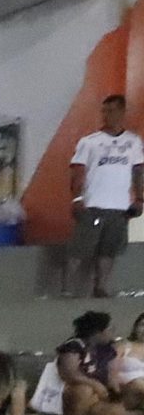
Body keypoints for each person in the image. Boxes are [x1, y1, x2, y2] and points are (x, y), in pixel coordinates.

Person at [66, 95, 143, 300]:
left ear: (122, 112)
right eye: (104, 111)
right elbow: (77, 172)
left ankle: (100, 287)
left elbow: (138, 171)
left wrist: (139, 199)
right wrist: (76, 199)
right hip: (93, 204)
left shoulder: (133, 142)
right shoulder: (89, 142)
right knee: (80, 248)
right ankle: (68, 290)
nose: (107, 115)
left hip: (119, 207)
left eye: (112, 111)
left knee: (109, 250)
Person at [32, 311, 123, 415]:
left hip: (94, 399)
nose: (112, 332)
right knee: (84, 390)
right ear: (98, 331)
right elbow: (70, 373)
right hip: (67, 394)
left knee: (116, 411)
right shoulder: (73, 346)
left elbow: (111, 375)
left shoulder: (106, 349)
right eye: (109, 328)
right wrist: (95, 384)